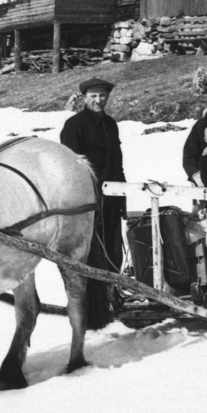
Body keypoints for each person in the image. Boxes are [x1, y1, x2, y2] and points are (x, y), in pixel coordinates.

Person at [60, 77, 126, 328]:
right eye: (94, 96)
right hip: (89, 201)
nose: (98, 100)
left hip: (113, 196)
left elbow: (117, 163)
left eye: (102, 96)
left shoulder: (111, 124)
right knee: (90, 255)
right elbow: (72, 168)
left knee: (113, 250)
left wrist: (122, 198)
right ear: (84, 98)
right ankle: (90, 310)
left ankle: (111, 298)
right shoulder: (74, 126)